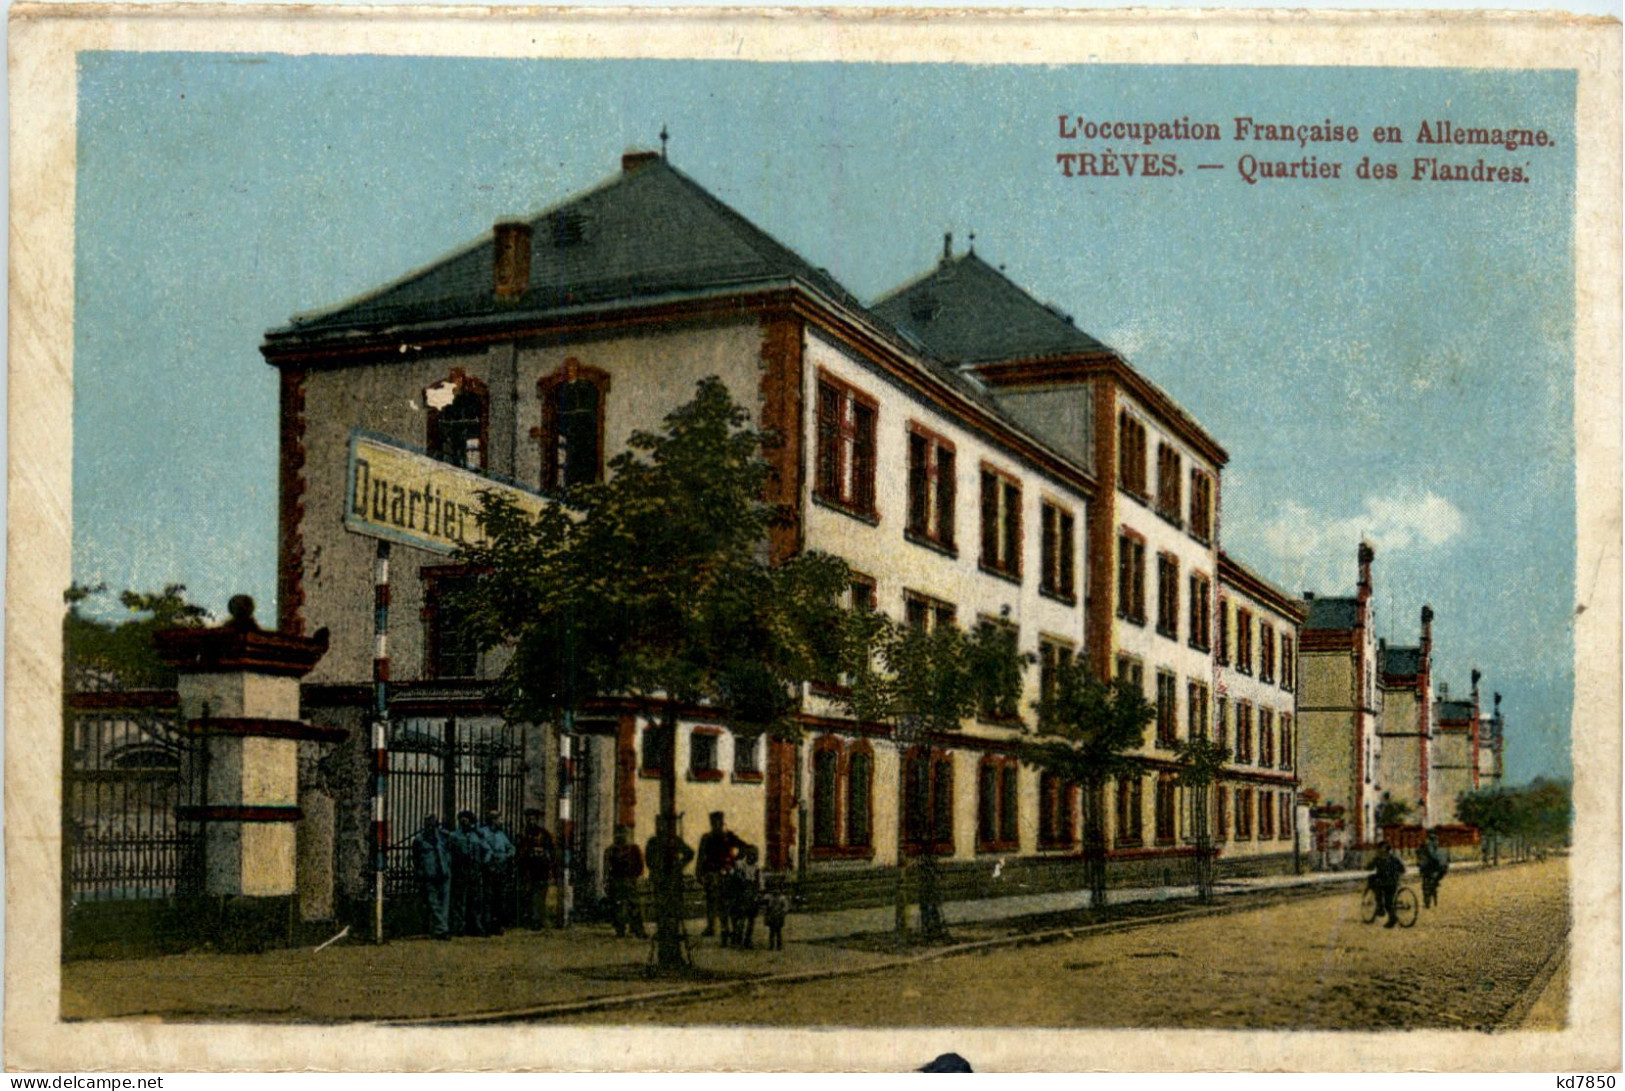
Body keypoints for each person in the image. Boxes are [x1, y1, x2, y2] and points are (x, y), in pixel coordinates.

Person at [696, 811, 746, 937]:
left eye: (718, 822)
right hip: (711, 873)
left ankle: (725, 928)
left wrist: (735, 859)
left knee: (724, 901)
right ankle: (711, 927)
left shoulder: (729, 836)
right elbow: (701, 856)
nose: (716, 825)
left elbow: (744, 847)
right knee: (711, 900)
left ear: (722, 822)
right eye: (714, 822)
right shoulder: (707, 838)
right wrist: (698, 872)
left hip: (724, 873)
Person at [448, 809, 491, 937]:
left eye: (467, 819)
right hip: (460, 871)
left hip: (475, 871)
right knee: (459, 901)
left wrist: (484, 862)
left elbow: (488, 850)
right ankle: (458, 927)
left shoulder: (477, 836)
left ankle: (477, 927)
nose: (464, 822)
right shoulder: (454, 836)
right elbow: (448, 852)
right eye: (462, 819)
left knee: (476, 900)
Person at [410, 813, 452, 940]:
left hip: (443, 872)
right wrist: (420, 871)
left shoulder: (444, 836)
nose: (431, 826)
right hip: (429, 874)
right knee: (433, 903)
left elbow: (449, 851)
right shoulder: (419, 840)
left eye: (433, 823)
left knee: (444, 903)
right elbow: (416, 858)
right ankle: (442, 929)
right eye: (429, 823)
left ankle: (441, 929)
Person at [603, 825, 647, 938]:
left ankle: (636, 929)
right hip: (617, 881)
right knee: (619, 907)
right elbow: (606, 867)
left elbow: (640, 865)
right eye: (618, 834)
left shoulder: (633, 849)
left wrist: (637, 878)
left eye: (623, 834)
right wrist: (607, 881)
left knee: (633, 906)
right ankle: (621, 929)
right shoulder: (611, 850)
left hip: (630, 881)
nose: (620, 837)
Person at [516, 808, 557, 930]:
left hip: (541, 868)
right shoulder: (522, 833)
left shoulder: (544, 834)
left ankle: (538, 919)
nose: (530, 820)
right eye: (528, 818)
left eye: (533, 818)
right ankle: (530, 919)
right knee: (528, 894)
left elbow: (551, 851)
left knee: (540, 895)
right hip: (528, 868)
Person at [479, 810, 517, 934]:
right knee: (488, 898)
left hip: (501, 868)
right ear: (493, 820)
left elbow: (511, 847)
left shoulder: (501, 834)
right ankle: (486, 925)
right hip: (489, 868)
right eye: (499, 819)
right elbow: (483, 847)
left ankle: (497, 925)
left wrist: (507, 855)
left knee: (499, 898)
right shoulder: (483, 832)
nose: (501, 821)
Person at [726, 845, 763, 949]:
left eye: (754, 855)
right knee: (739, 918)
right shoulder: (739, 865)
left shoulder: (757, 868)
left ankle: (748, 939)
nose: (752, 857)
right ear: (746, 855)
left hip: (751, 895)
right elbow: (732, 878)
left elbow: (760, 883)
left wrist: (758, 893)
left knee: (751, 919)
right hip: (740, 895)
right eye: (750, 855)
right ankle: (738, 938)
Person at [1368, 840, 1406, 928]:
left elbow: (1369, 867)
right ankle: (1381, 907)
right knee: (1388, 898)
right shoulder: (1395, 858)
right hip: (1394, 882)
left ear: (1382, 849)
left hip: (1384, 882)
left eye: (1379, 848)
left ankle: (1388, 914)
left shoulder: (1379, 858)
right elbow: (1403, 870)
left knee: (1374, 882)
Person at [1418, 830, 1449, 909]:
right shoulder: (1431, 844)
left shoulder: (1427, 844)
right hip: (1430, 867)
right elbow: (1433, 855)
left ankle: (1428, 901)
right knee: (1429, 884)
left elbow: (1429, 855)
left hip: (1429, 868)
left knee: (1427, 885)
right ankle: (1430, 900)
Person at [762, 877, 790, 951]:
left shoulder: (782, 898)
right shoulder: (768, 897)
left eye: (777, 889)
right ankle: (771, 945)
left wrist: (783, 912)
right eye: (773, 889)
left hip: (778, 915)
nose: (775, 891)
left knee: (778, 931)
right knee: (771, 931)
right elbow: (765, 906)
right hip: (771, 915)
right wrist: (766, 912)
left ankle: (779, 945)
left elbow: (785, 907)